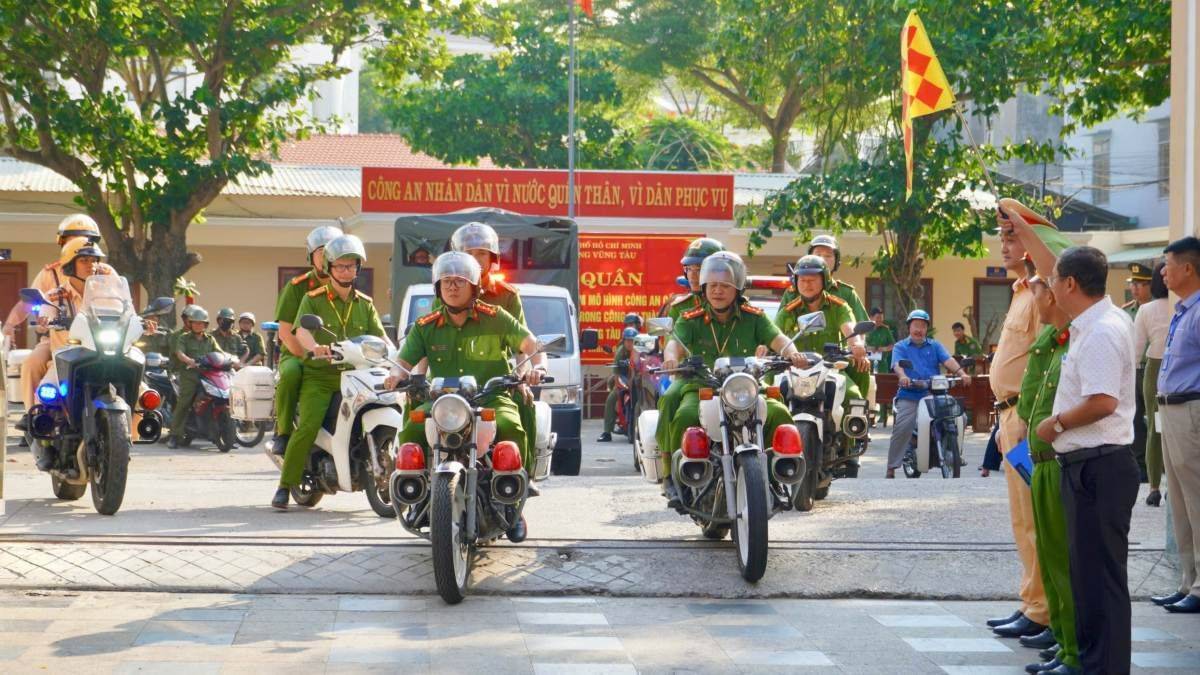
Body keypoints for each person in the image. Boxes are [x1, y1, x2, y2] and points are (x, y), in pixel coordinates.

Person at [385, 251, 545, 539]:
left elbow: (532, 346)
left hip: (490, 397)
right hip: (441, 401)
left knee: (512, 427)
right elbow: (403, 363)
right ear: (437, 287)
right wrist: (395, 376)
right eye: (446, 281)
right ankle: (417, 496)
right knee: (411, 431)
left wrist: (538, 368)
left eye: (459, 280)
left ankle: (513, 504)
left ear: (475, 286)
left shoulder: (496, 318)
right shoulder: (425, 327)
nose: (452, 286)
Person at [1036, 245, 1139, 673]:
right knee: (1088, 577)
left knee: (1101, 578)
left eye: (1054, 279)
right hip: (1088, 465)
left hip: (1100, 465)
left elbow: (1102, 402)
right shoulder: (1093, 324)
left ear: (1071, 284)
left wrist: (1055, 424)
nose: (1050, 287)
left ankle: (1104, 667)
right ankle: (1091, 661)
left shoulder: (1100, 331)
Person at [982, 197, 1073, 640]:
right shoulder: (1020, 291)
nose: (1004, 244)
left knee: (1041, 518)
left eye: (1011, 236)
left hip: (1030, 412)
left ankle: (1048, 611)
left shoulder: (1047, 285)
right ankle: (1033, 604)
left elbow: (1053, 258)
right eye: (1001, 236)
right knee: (1023, 519)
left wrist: (1018, 216)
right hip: (1009, 417)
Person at [656, 251, 807, 504]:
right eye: (712, 286)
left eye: (725, 286)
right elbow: (675, 344)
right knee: (682, 413)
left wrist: (793, 352)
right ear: (704, 288)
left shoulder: (754, 317)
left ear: (737, 288)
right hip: (700, 385)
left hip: (744, 386)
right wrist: (670, 357)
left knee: (779, 412)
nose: (717, 291)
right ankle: (675, 475)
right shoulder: (690, 318)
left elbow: (778, 339)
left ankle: (775, 473)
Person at [273, 234, 385, 509]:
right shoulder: (313, 299)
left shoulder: (366, 304)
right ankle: (285, 486)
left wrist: (393, 354)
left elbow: (380, 339)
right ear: (330, 268)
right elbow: (301, 331)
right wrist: (314, 349)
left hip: (356, 376)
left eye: (351, 266)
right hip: (321, 377)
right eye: (340, 266)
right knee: (309, 425)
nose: (346, 271)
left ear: (358, 268)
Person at [1015, 261, 1079, 673]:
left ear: (1055, 293)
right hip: (1037, 457)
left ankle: (1074, 648)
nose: (1030, 297)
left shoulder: (1073, 339)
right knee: (1050, 555)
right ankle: (1062, 638)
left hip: (1058, 459)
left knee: (1061, 559)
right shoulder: (1052, 339)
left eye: (1037, 290)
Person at [1151, 235, 1200, 614]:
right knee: (1180, 501)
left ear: (1188, 267)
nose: (1162, 272)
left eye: (1168, 264)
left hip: (1192, 411)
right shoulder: (1183, 309)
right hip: (1171, 411)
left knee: (1197, 499)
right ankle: (1188, 582)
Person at [17, 238, 115, 426]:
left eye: (94, 260)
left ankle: (131, 434)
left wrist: (143, 322)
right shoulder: (55, 295)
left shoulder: (109, 290)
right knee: (46, 393)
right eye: (84, 260)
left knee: (143, 390)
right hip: (66, 356)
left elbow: (127, 311)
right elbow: (43, 316)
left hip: (104, 353)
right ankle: (40, 434)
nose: (91, 265)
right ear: (70, 266)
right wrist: (45, 321)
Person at [270, 225, 341, 455]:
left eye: (333, 252)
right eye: (322, 252)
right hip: (299, 354)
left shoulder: (344, 287)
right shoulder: (296, 287)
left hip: (336, 354)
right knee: (290, 375)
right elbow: (286, 332)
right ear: (311, 256)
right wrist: (309, 356)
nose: (327, 257)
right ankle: (283, 432)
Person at [886, 310, 971, 479]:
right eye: (916, 325)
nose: (919, 329)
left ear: (927, 329)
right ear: (909, 327)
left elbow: (948, 360)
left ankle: (955, 453)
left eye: (923, 326)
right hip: (910, 394)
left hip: (933, 393)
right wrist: (903, 377)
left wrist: (962, 373)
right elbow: (897, 364)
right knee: (903, 426)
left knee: (960, 417)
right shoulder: (900, 346)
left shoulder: (935, 345)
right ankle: (892, 466)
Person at [774, 255, 871, 397]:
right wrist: (762, 348)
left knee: (853, 396)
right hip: (795, 372)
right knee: (768, 400)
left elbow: (849, 328)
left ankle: (857, 418)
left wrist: (856, 345)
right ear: (796, 282)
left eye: (812, 280)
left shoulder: (839, 307)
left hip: (830, 371)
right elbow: (773, 335)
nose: (807, 284)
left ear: (824, 280)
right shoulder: (787, 311)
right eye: (802, 280)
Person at [2, 214, 102, 344]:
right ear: (63, 243)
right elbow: (28, 302)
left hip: (99, 340)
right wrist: (10, 325)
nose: (79, 245)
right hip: (58, 341)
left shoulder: (105, 272)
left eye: (85, 241)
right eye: (73, 241)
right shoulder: (50, 273)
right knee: (31, 364)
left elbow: (121, 300)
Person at [1132, 262, 1170, 507]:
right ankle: (1173, 488)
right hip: (1183, 369)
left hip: (1153, 370)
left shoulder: (1146, 310)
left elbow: (1135, 351)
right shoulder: (1187, 305)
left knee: (1155, 431)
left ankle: (1154, 488)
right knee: (1177, 431)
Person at [166, 306, 223, 449]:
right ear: (190, 324)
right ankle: (174, 435)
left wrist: (231, 361)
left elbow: (220, 353)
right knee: (184, 403)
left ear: (206, 325)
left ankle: (226, 435)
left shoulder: (210, 340)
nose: (198, 325)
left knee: (220, 398)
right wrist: (188, 360)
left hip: (208, 375)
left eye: (201, 323)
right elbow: (179, 353)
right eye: (195, 322)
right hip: (190, 375)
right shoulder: (183, 338)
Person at [1126, 262, 1154, 481]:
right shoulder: (1127, 311)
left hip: (1152, 370)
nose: (1135, 288)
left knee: (1154, 418)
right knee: (1134, 418)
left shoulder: (1159, 308)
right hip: (1132, 371)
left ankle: (1156, 462)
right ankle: (1140, 465)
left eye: (1141, 284)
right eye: (1133, 283)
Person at [599, 315, 643, 443]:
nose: (630, 343)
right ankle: (607, 432)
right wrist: (619, 388)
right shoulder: (620, 352)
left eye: (632, 341)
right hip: (623, 378)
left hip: (638, 379)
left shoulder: (642, 349)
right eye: (627, 341)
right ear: (624, 341)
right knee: (611, 399)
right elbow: (616, 373)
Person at [660, 237, 725, 323]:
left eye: (699, 269)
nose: (692, 276)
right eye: (689, 269)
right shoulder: (679, 307)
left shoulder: (735, 306)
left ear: (719, 270)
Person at [865, 307, 895, 426]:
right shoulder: (866, 329)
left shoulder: (885, 330)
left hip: (882, 363)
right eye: (877, 318)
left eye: (881, 319)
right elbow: (860, 344)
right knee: (869, 389)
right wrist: (868, 348)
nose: (879, 321)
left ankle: (883, 416)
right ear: (871, 318)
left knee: (883, 388)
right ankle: (869, 417)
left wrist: (884, 349)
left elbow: (892, 344)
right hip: (868, 363)